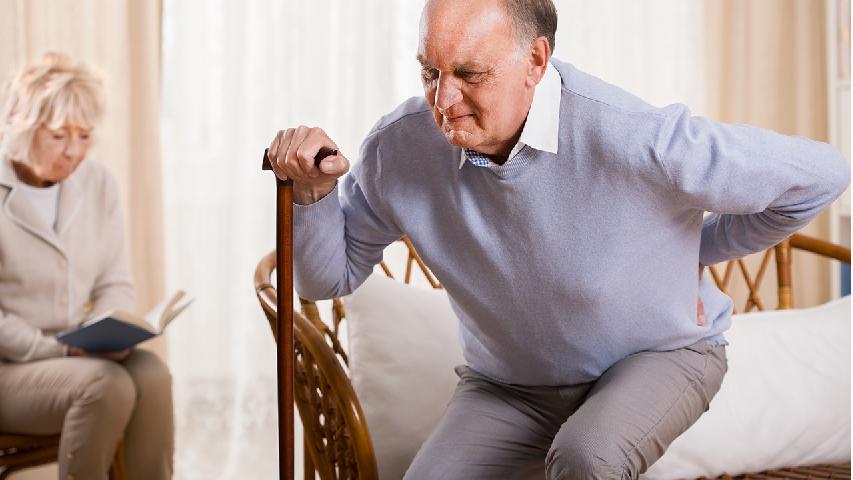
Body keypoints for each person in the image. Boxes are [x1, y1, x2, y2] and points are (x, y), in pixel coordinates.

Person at [267, 0, 850, 478]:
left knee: (585, 458)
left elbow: (822, 175)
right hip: (509, 386)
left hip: (660, 358)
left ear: (536, 61)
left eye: (470, 74)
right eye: (430, 71)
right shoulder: (399, 149)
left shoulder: (636, 136)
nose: (442, 100)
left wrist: (695, 250)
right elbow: (328, 279)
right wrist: (313, 196)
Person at [0, 53, 174, 480]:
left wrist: (101, 331)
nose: (74, 152)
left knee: (152, 374)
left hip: (80, 353)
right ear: (23, 127)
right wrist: (66, 349)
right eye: (59, 136)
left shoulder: (97, 183)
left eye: (84, 135)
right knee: (105, 385)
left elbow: (114, 281)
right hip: (10, 366)